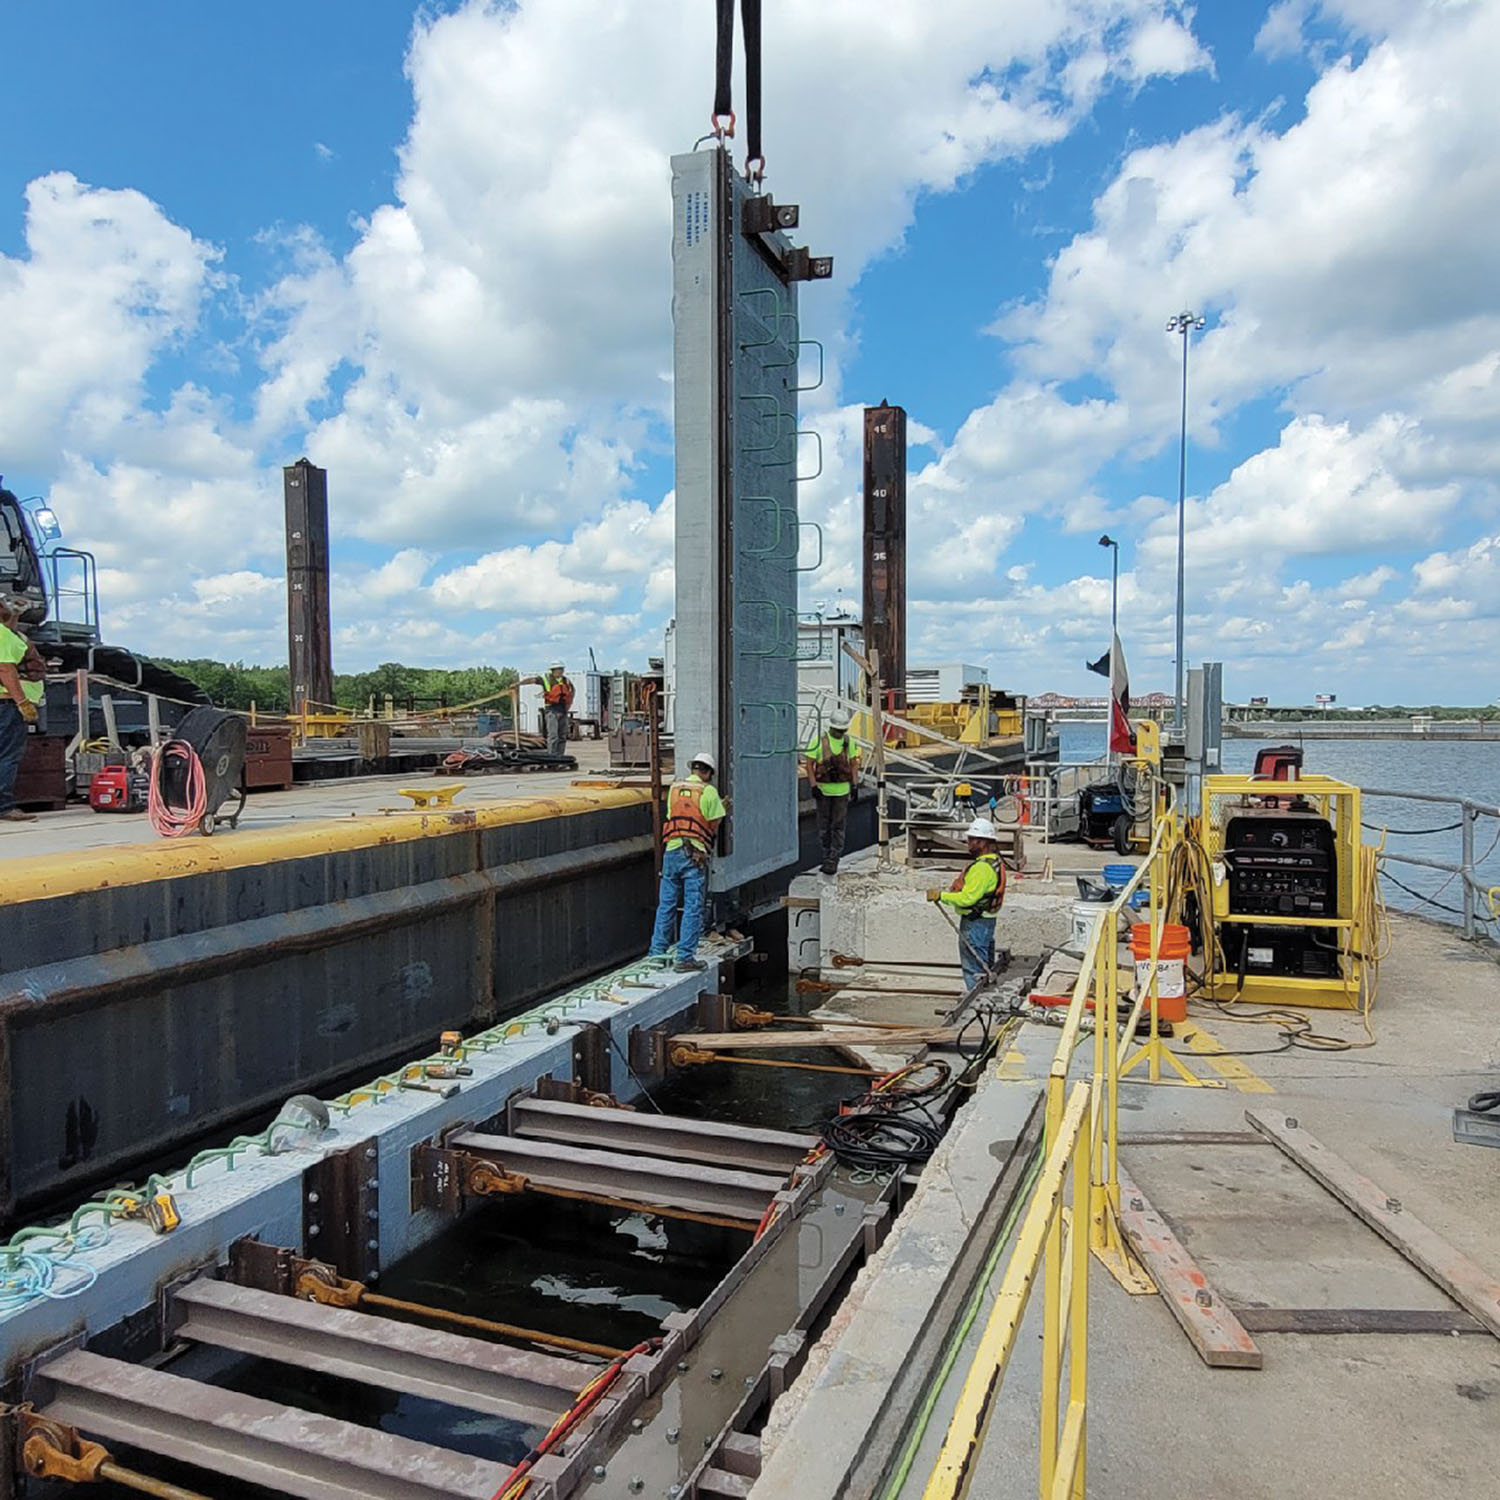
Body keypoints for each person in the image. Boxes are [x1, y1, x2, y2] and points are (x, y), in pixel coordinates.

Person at [648, 750, 726, 973]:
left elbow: (674, 816)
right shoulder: (708, 792)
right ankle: (685, 957)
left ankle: (657, 954)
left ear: (693, 769)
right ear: (709, 773)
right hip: (694, 855)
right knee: (693, 907)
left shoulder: (674, 789)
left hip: (671, 852)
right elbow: (713, 826)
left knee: (666, 905)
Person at [927, 817, 1006, 989]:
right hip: (984, 921)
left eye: (971, 839)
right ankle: (983, 995)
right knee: (982, 963)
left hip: (975, 923)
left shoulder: (982, 869)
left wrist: (941, 896)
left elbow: (968, 898)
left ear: (982, 842)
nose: (968, 842)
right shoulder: (993, 862)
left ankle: (976, 1000)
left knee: (974, 969)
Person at [0, 596, 43, 824]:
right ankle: (3, 807)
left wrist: (15, 613)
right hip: (6, 704)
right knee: (7, 755)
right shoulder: (2, 636)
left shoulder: (4, 633)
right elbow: (5, 670)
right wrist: (22, 702)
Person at [805, 710, 861, 874]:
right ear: (831, 728)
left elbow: (854, 764)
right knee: (824, 828)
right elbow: (809, 764)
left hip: (841, 792)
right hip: (823, 792)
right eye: (838, 730)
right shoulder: (819, 741)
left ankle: (833, 860)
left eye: (842, 730)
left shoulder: (848, 742)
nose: (840, 733)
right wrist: (814, 785)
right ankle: (826, 857)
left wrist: (855, 785)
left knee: (838, 826)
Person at [521, 660, 574, 756]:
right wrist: (519, 684)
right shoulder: (546, 679)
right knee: (553, 735)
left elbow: (572, 691)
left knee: (562, 736)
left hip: (562, 710)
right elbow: (532, 680)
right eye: (558, 669)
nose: (560, 671)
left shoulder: (566, 681)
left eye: (561, 669)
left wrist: (569, 705)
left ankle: (560, 756)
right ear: (553, 670)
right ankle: (552, 755)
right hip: (552, 711)